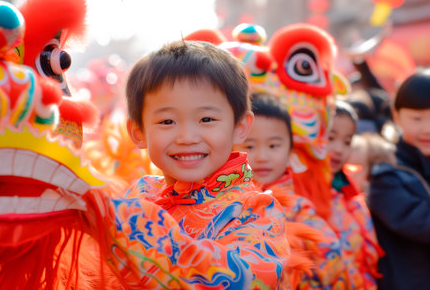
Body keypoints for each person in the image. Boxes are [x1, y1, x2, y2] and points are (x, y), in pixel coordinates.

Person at [123, 40, 291, 288]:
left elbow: (243, 278)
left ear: (240, 127)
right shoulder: (138, 195)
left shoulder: (255, 211)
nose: (187, 137)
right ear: (138, 132)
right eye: (167, 121)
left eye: (206, 119)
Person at [234, 92, 347, 289]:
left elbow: (331, 257)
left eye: (273, 145)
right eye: (250, 146)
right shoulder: (221, 203)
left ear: (290, 152)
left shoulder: (298, 209)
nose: (262, 156)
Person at [368, 68, 430, 290]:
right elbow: (420, 222)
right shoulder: (386, 172)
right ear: (396, 116)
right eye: (417, 118)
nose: (427, 128)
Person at [326, 100, 383, 289]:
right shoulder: (290, 194)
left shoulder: (352, 197)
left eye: (347, 141)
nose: (339, 149)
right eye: (330, 137)